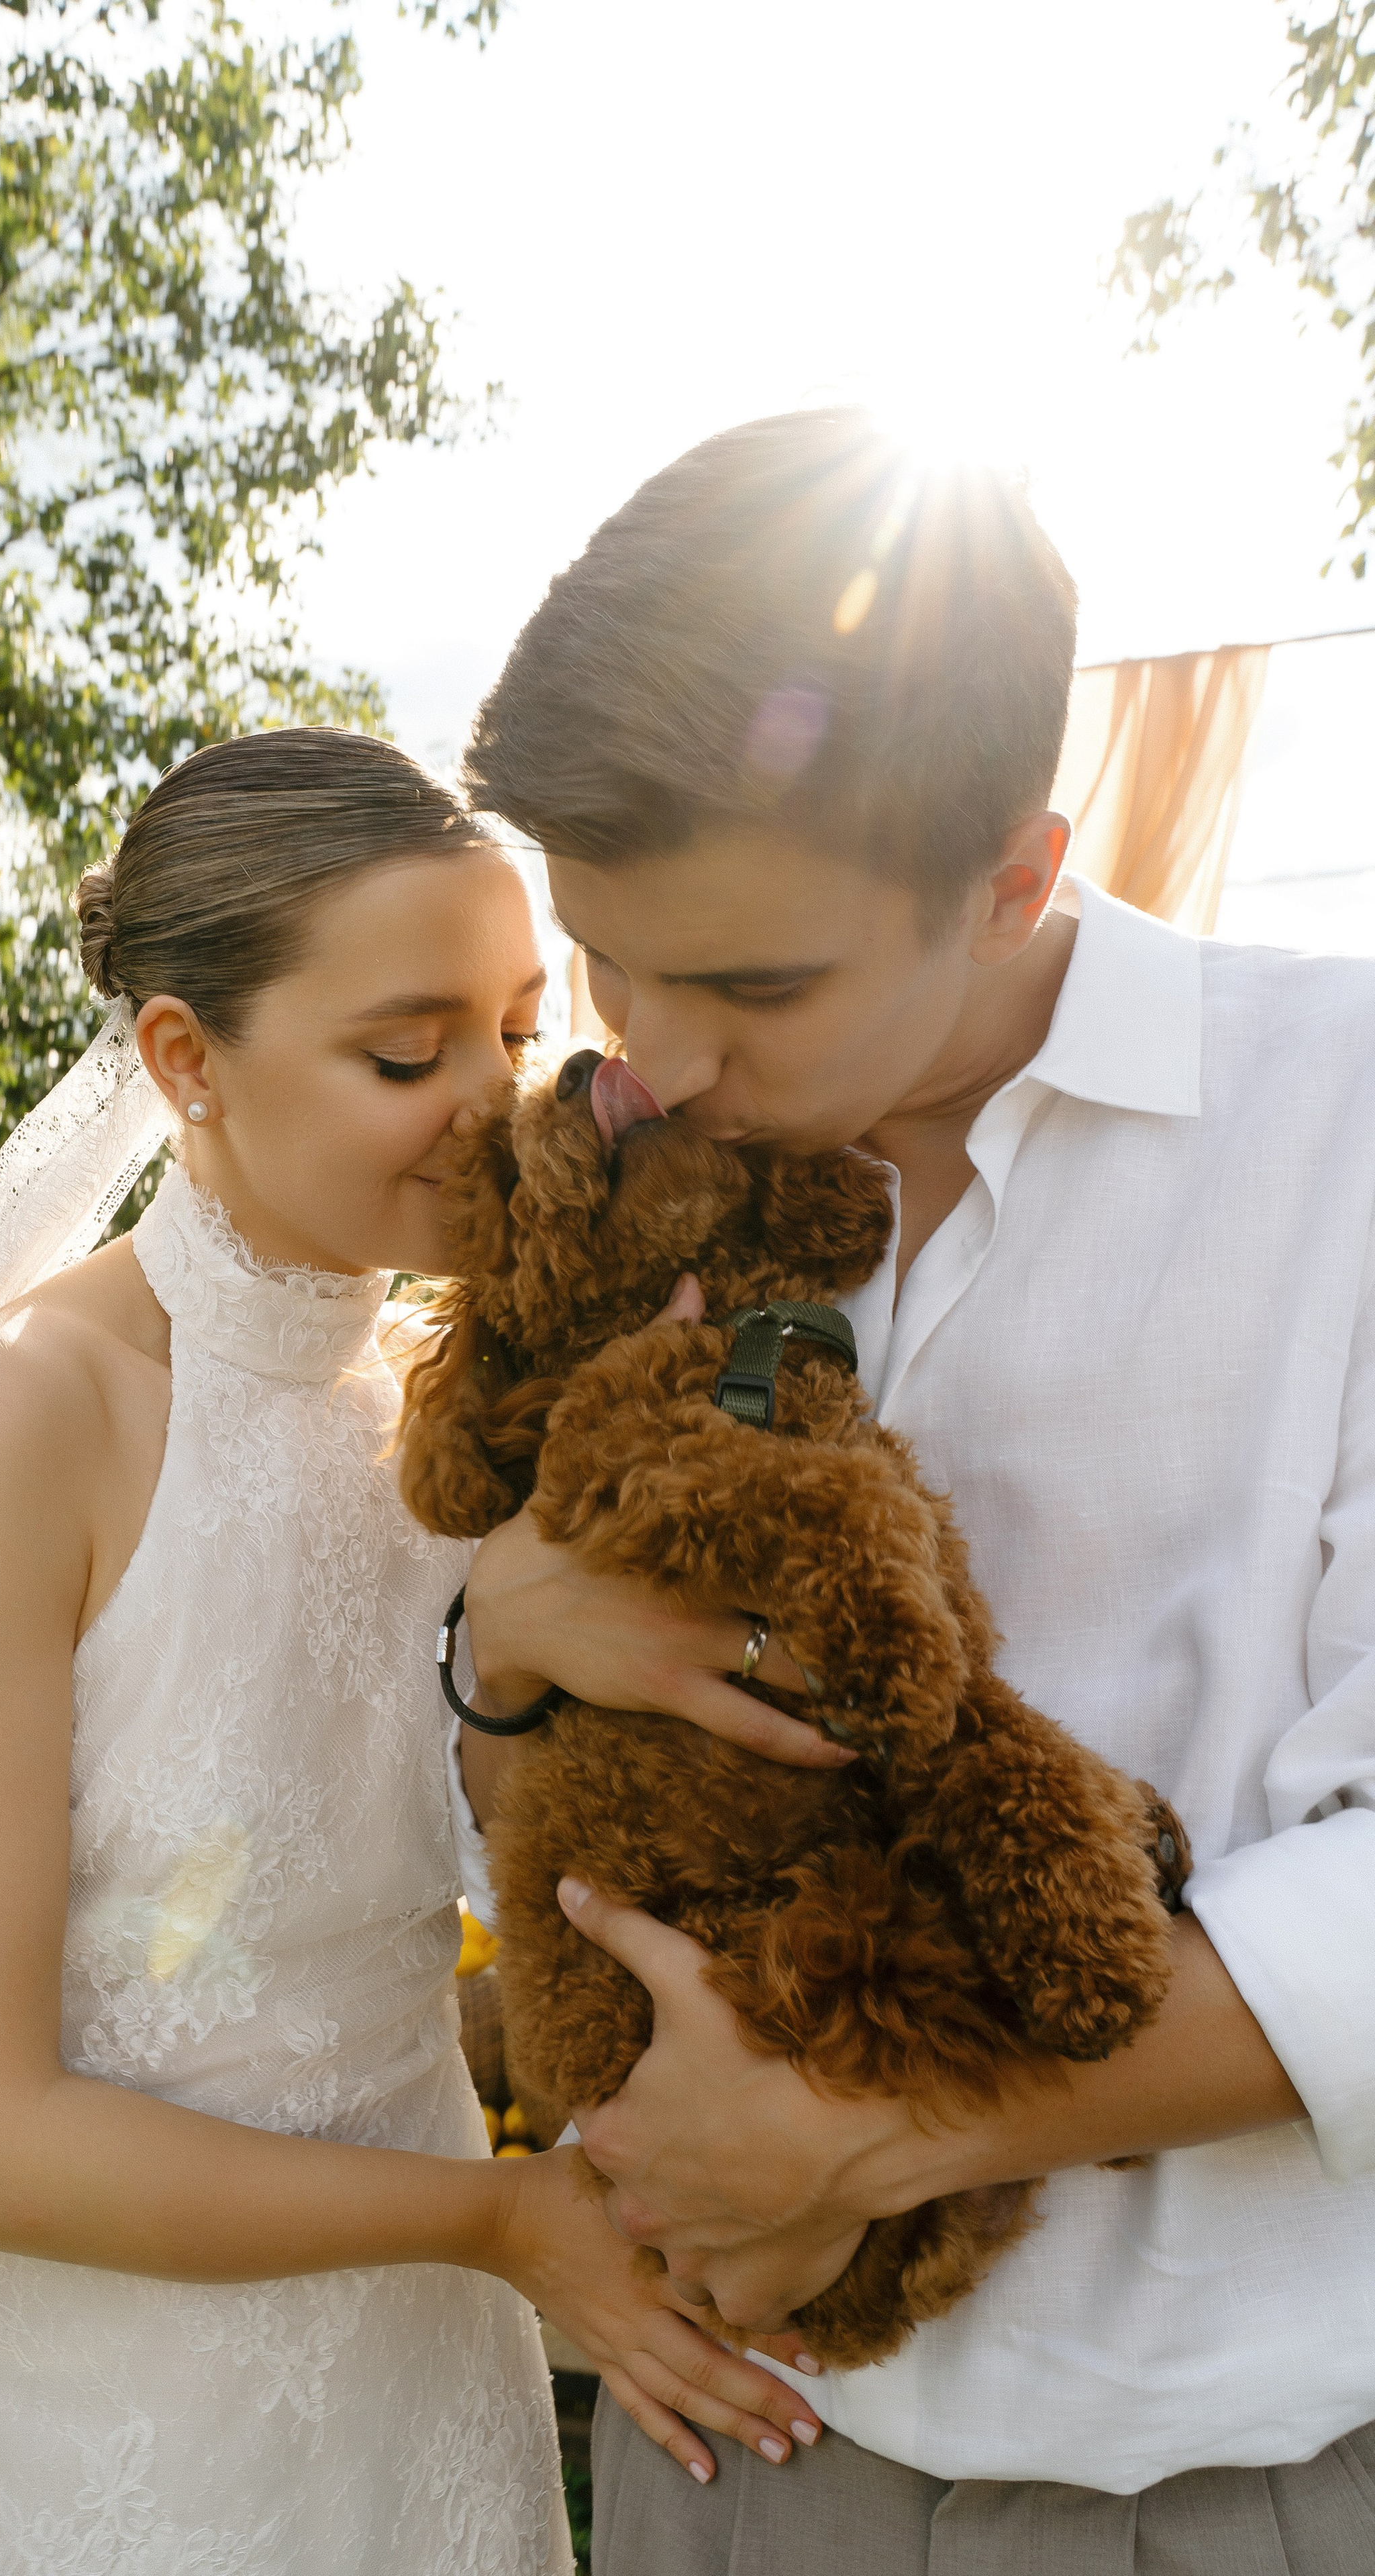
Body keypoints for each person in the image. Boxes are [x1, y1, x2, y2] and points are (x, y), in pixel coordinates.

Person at [0, 729, 816, 2576]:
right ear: (185, 1059)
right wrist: (499, 2224)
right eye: (406, 1054)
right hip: (105, 2447)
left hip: (418, 2414)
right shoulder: (15, 1418)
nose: (494, 1106)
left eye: (520, 1033)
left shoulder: (452, 1415)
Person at [447, 413, 1375, 2573]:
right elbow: (509, 1822)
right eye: (606, 954)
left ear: (1019, 880)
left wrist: (861, 2131)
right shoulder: (609, 1191)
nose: (657, 1054)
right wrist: (496, 1650)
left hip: (1243, 2491)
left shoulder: (1344, 1121)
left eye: (758, 983)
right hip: (721, 2471)